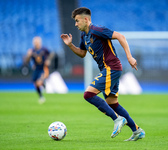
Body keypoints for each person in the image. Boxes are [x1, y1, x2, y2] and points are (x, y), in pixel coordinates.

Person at [60, 7, 145, 141]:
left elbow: (120, 36)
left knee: (88, 94)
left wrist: (129, 57)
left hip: (112, 67)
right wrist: (70, 45)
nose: (75, 24)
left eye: (77, 21)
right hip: (108, 69)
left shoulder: (97, 30)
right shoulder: (84, 35)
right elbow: (82, 53)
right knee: (112, 103)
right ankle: (137, 130)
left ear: (86, 19)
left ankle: (117, 119)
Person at [24, 36, 54, 104]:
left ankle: (43, 83)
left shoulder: (44, 49)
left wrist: (48, 60)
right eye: (34, 42)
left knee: (38, 83)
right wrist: (28, 55)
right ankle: (41, 96)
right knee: (36, 84)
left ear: (39, 42)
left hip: (43, 68)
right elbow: (27, 61)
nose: (35, 43)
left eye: (37, 42)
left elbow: (51, 54)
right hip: (36, 69)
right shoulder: (32, 51)